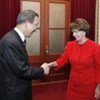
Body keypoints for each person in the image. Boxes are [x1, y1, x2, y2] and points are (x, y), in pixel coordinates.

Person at [0, 9, 50, 100]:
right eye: (36, 24)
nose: (36, 28)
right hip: (14, 93)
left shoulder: (16, 38)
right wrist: (42, 70)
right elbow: (21, 70)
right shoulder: (10, 41)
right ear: (27, 23)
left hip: (20, 88)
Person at [48, 18, 100, 100]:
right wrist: (51, 64)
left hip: (88, 86)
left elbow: (98, 68)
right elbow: (62, 59)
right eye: (73, 32)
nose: (73, 35)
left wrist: (98, 87)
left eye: (76, 32)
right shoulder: (70, 45)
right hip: (73, 85)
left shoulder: (95, 47)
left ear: (84, 31)